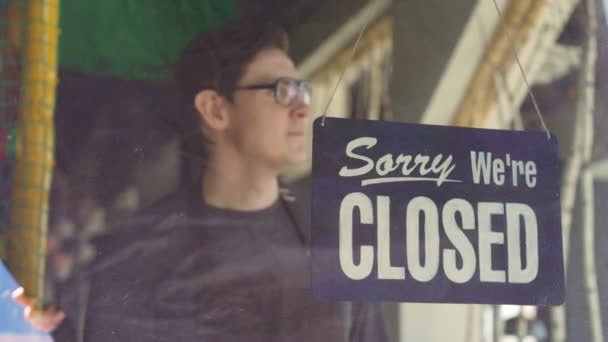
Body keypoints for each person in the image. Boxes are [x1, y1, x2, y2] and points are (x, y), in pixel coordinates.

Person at [14, 19, 388, 341]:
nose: (303, 107)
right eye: (282, 91)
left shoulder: (339, 239)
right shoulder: (138, 256)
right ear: (215, 109)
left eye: (303, 90)